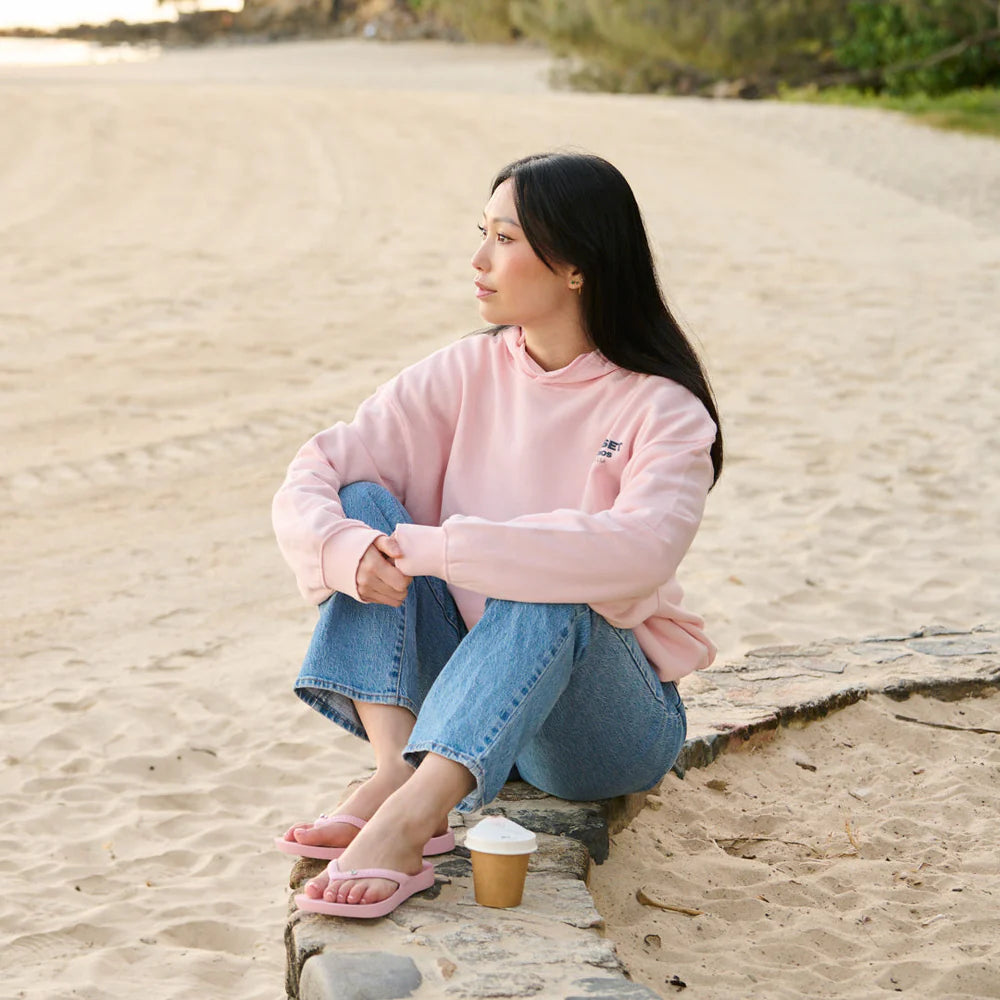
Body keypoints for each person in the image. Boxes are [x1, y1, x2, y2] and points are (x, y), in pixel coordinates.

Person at [271, 151, 723, 919]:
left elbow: (640, 551)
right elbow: (316, 468)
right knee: (361, 502)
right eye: (481, 234)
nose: (479, 260)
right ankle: (397, 771)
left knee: (555, 575)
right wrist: (349, 552)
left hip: (603, 730)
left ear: (576, 266)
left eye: (506, 239)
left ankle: (410, 821)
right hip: (471, 692)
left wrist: (443, 549)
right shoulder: (464, 371)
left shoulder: (664, 410)